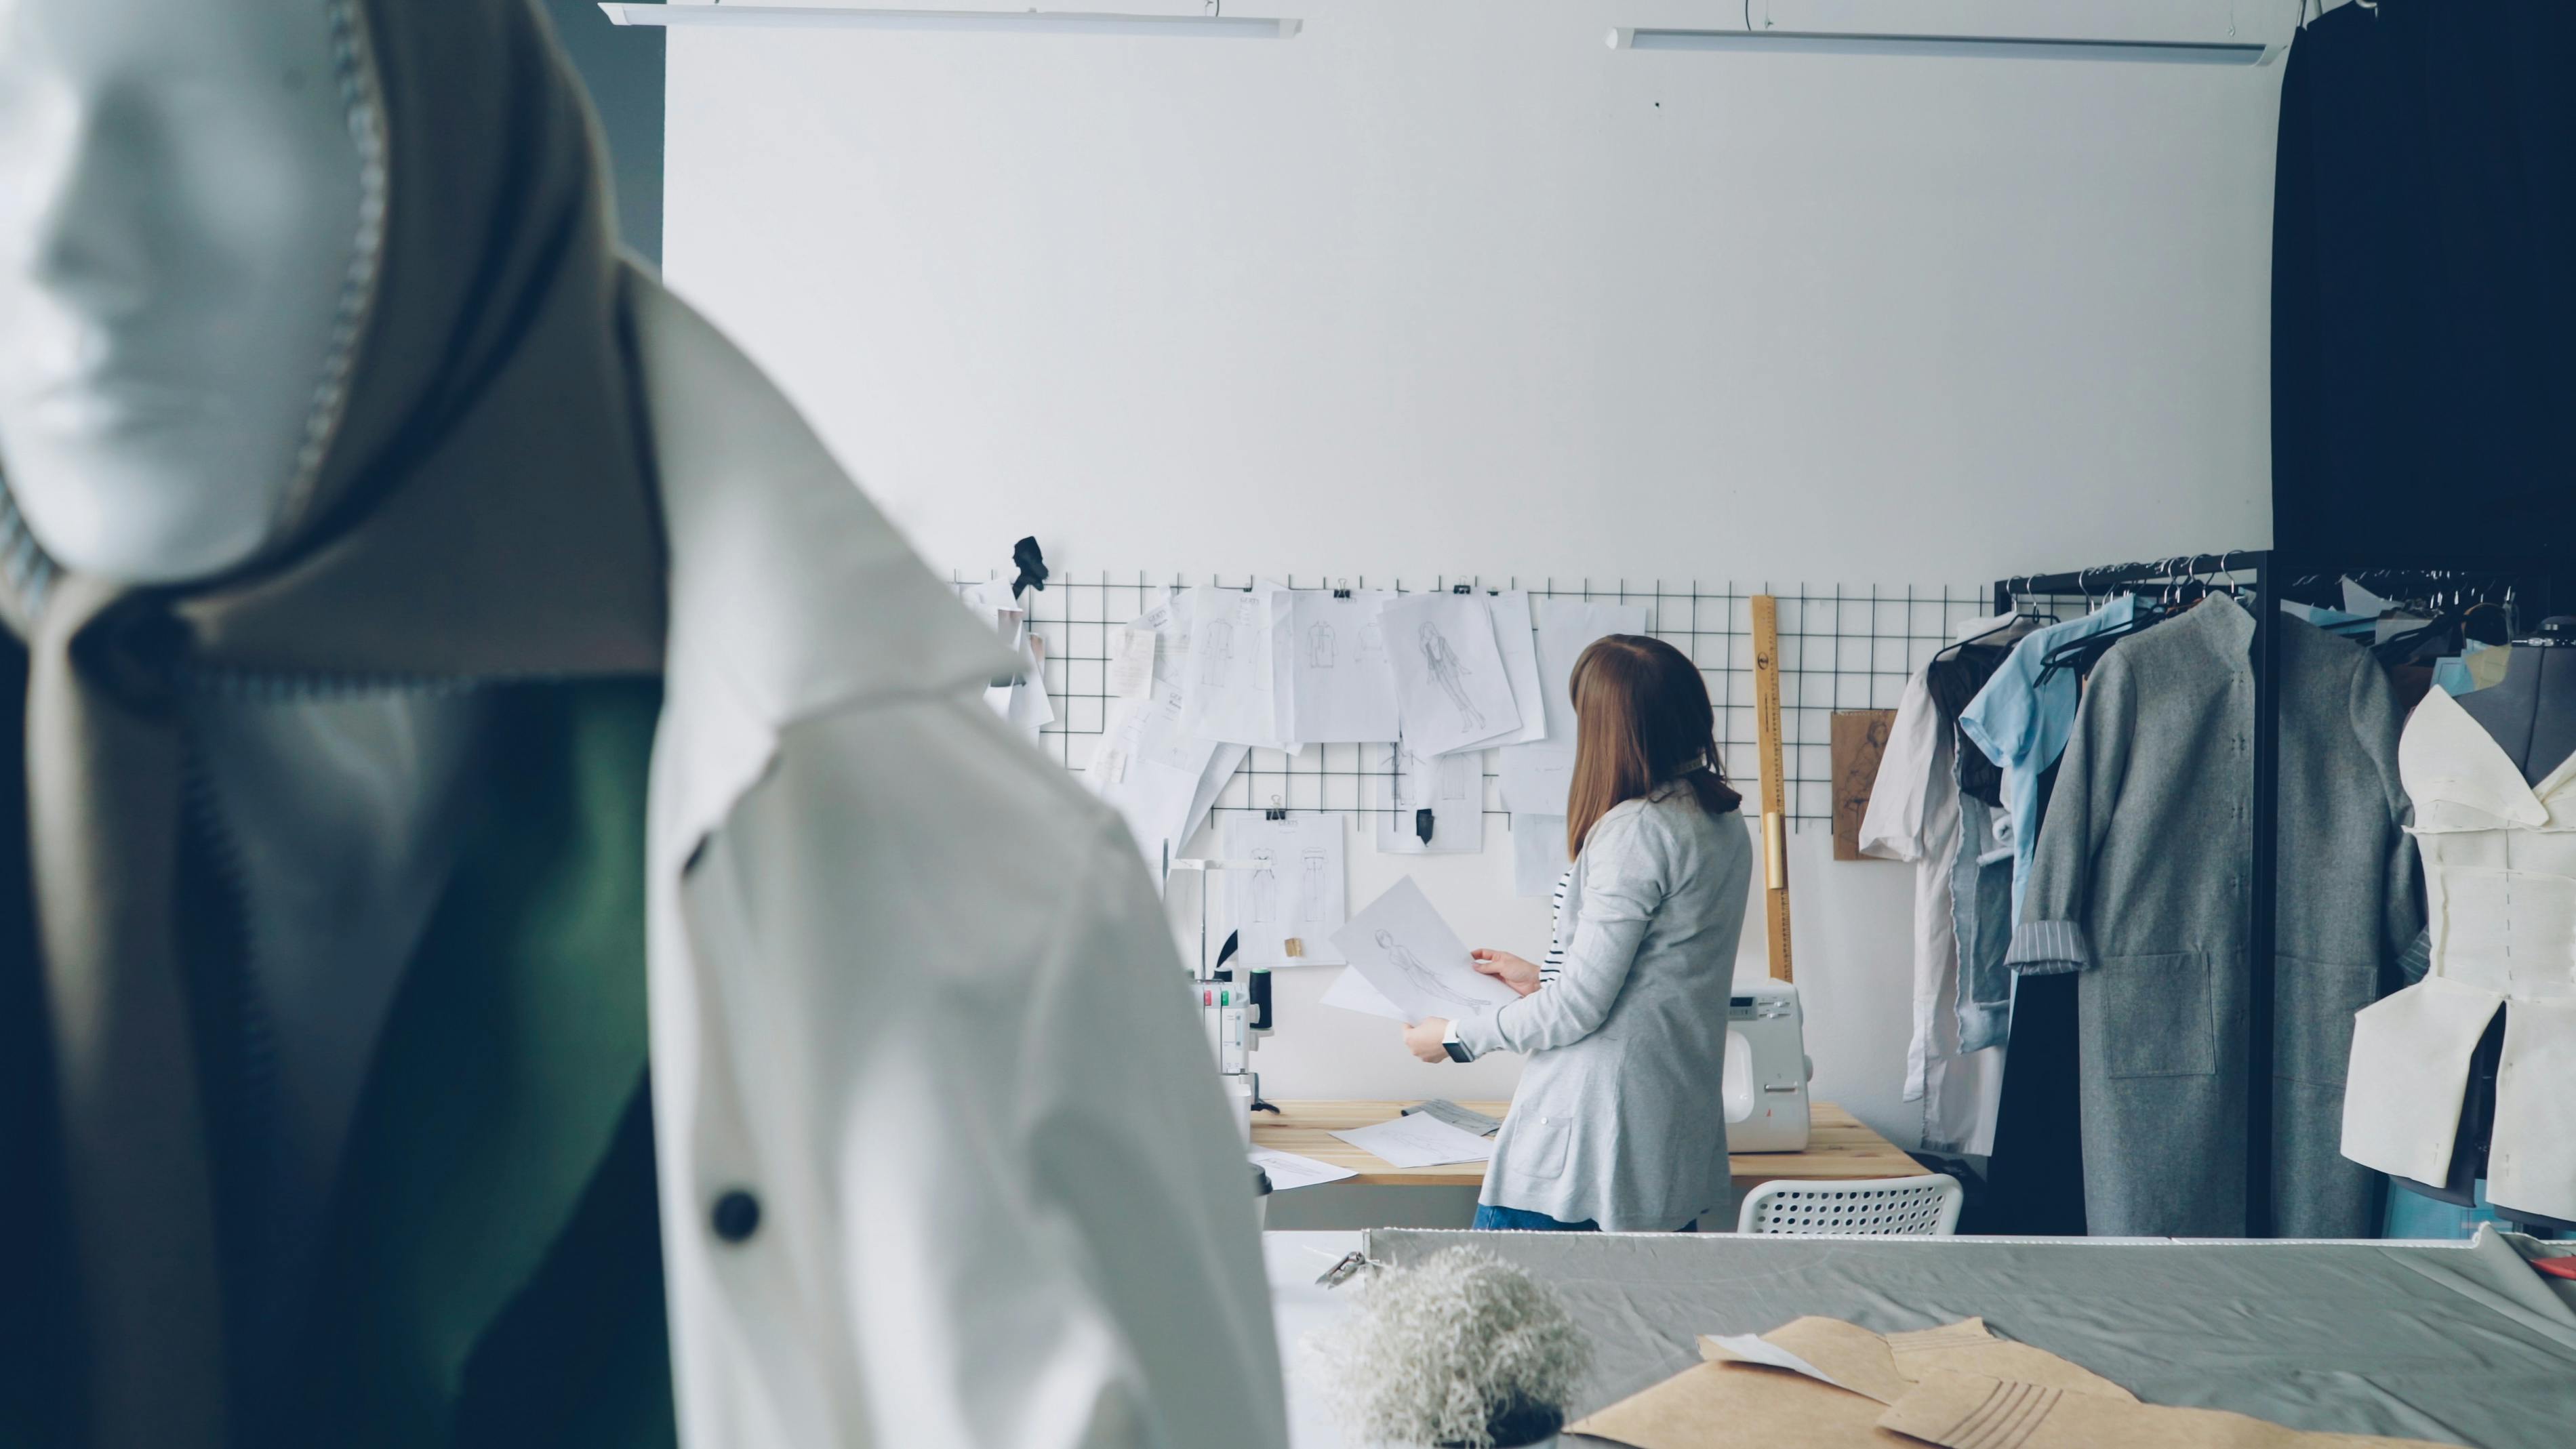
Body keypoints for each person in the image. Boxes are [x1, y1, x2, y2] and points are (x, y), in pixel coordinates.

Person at [0, 2, 1283, 1446]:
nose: (52, 243)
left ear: (445, 163)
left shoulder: (997, 904)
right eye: (7, 123)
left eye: (189, 111)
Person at [1401, 635, 1750, 1233]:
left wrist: (1455, 1037)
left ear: (1612, 729)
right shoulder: (1718, 820)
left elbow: (1579, 1011)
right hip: (1663, 1137)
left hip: (1592, 1141)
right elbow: (1659, 977)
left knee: (1507, 1321)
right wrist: (1541, 977)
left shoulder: (1637, 829)